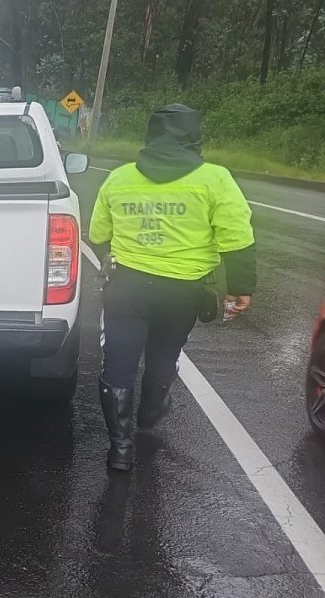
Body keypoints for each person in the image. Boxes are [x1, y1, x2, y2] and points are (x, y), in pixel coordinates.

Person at [89, 104, 256, 472]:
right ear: (196, 137)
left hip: (127, 288)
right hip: (182, 292)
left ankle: (120, 449)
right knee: (164, 356)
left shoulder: (119, 178)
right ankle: (148, 424)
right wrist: (240, 288)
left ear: (150, 135)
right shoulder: (215, 179)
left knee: (119, 361)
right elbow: (237, 238)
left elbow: (98, 234)